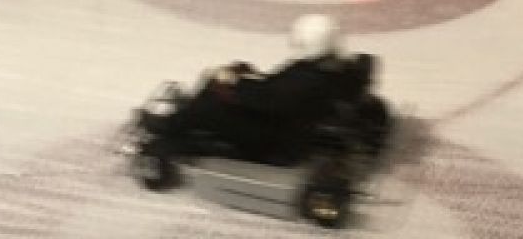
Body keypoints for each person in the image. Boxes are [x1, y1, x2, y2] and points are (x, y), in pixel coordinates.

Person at [143, 14, 373, 163]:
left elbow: (270, 100)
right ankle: (189, 116)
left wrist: (232, 85)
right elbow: (276, 90)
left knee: (209, 105)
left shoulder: (308, 79)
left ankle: (171, 127)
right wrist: (248, 76)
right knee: (219, 89)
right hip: (289, 124)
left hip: (276, 141)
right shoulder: (332, 69)